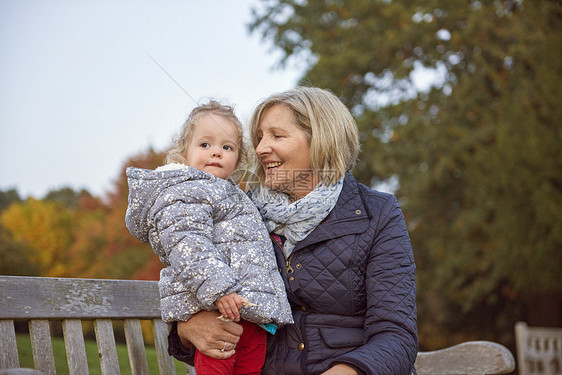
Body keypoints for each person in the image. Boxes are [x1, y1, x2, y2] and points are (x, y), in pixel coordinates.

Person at [168, 87, 418, 375]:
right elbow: (193, 281)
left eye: (277, 135)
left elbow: (396, 335)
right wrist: (188, 328)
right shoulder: (240, 212)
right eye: (260, 137)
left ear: (322, 140)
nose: (260, 149)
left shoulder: (378, 212)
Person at [125, 100, 293, 375]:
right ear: (184, 152)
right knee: (217, 366)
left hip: (247, 313)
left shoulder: (233, 195)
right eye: (205, 145)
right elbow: (186, 243)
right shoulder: (186, 190)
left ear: (238, 159)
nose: (216, 152)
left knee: (251, 368)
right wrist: (220, 288)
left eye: (227, 147)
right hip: (215, 308)